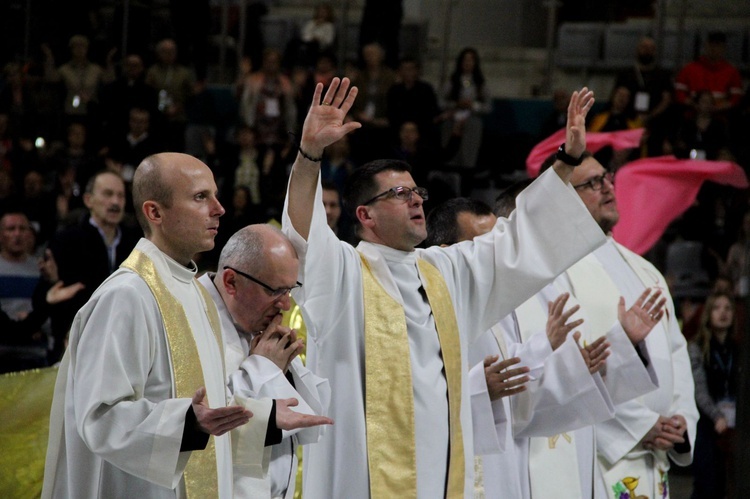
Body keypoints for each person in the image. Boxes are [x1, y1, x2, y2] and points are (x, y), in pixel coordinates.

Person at [282, 77, 607, 497]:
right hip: (364, 473)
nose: (417, 199)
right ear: (365, 214)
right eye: (400, 193)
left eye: (417, 191)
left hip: (440, 470)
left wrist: (566, 160)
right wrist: (310, 154)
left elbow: (517, 236)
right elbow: (304, 233)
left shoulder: (445, 271)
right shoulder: (344, 269)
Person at [42, 152, 259, 498]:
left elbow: (212, 400)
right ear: (154, 212)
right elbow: (99, 415)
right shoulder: (127, 295)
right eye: (201, 197)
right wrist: (186, 424)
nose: (219, 209)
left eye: (215, 196)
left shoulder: (195, 291)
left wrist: (268, 419)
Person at [427, 194, 665, 499]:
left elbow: (535, 394)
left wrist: (617, 348)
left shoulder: (542, 291)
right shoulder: (433, 308)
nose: (497, 255)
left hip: (533, 459)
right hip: (487, 466)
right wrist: (484, 386)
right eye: (485, 245)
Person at [537, 152, 699, 499]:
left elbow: (675, 351)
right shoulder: (555, 272)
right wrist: (639, 426)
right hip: (602, 457)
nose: (608, 187)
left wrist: (681, 420)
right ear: (561, 199)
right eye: (593, 183)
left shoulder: (645, 270)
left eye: (607, 177)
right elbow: (567, 370)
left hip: (655, 458)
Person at [198, 224, 332, 498]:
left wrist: (283, 369)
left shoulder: (258, 324)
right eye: (275, 291)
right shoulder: (192, 323)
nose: (286, 305)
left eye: (290, 290)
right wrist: (263, 369)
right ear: (231, 282)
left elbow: (307, 424)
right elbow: (203, 429)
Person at [49, 170, 140, 363]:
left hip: (125, 346)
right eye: (108, 194)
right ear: (88, 200)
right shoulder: (66, 240)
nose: (115, 202)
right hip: (77, 344)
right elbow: (51, 292)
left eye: (121, 196)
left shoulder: (136, 245)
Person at [688, 292, 738, 499]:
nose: (723, 313)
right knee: (706, 484)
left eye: (727, 308)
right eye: (717, 308)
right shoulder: (697, 347)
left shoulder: (738, 349)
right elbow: (698, 389)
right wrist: (717, 415)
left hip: (733, 425)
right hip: (707, 424)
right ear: (708, 313)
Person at [675, 31, 744, 112]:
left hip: (721, 116)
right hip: (692, 115)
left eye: (718, 46)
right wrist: (695, 105)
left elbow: (736, 98)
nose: (714, 49)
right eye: (711, 45)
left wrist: (717, 108)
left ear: (724, 48)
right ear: (705, 46)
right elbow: (679, 93)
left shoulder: (732, 72)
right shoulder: (689, 69)